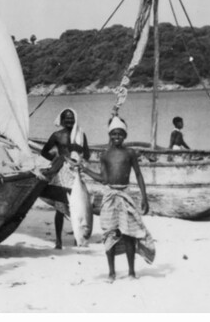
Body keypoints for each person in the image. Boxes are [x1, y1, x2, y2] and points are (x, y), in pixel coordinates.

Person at [80, 116, 155, 282]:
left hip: (125, 195)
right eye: (113, 134)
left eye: (120, 134)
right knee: (109, 234)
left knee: (128, 234)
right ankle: (111, 273)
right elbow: (104, 178)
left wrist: (144, 197)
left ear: (125, 135)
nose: (117, 137)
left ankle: (131, 272)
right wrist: (84, 170)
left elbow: (139, 175)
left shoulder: (130, 153)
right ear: (109, 135)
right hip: (109, 196)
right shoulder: (105, 155)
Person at [40, 108, 92, 248]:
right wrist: (57, 159)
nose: (69, 120)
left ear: (75, 119)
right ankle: (58, 240)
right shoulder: (57, 135)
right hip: (62, 173)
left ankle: (77, 238)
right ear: (62, 120)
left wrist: (79, 158)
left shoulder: (81, 134)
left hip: (75, 172)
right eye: (66, 118)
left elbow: (87, 153)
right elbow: (44, 151)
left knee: (78, 207)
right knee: (60, 208)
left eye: (72, 118)